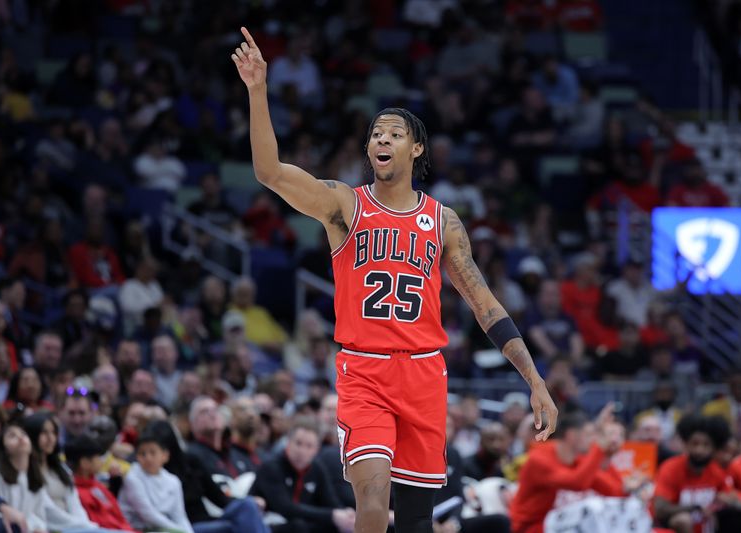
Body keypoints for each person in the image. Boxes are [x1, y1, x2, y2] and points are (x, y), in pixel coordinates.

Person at [231, 28, 557, 533]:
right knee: (372, 495)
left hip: (425, 375)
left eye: (394, 133)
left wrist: (535, 381)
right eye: (376, 133)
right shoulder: (344, 205)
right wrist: (257, 91)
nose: (381, 138)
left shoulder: (443, 221)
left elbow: (485, 305)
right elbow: (269, 172)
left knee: (415, 521)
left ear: (416, 148)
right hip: (364, 371)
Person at [145, 420, 269, 533]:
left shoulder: (190, 461)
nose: (149, 457)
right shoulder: (147, 473)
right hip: (187, 527)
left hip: (209, 520)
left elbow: (219, 498)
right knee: (237, 524)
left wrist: (249, 502)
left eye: (153, 451)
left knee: (248, 505)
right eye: (145, 452)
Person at [508, 406, 617, 533]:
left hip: (557, 525)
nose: (593, 440)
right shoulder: (539, 459)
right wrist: (598, 449)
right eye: (588, 434)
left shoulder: (575, 460)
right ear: (571, 435)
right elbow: (577, 482)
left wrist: (629, 489)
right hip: (528, 528)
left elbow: (611, 490)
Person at [0, 423, 99, 532]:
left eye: (23, 434)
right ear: (3, 447)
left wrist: (38, 527)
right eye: (12, 436)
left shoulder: (34, 477)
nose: (20, 438)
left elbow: (40, 515)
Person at [653, 414, 741, 533]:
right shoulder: (670, 468)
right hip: (672, 527)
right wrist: (695, 508)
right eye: (695, 444)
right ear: (686, 444)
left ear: (714, 448)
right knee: (683, 520)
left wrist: (731, 502)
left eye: (706, 445)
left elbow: (734, 500)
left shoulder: (716, 470)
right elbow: (659, 510)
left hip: (707, 526)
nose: (699, 450)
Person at [251, 417, 355, 533]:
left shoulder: (317, 468)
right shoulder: (271, 467)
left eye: (309, 446)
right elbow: (285, 508)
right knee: (299, 526)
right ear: (288, 442)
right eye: (298, 443)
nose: (302, 451)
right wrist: (332, 515)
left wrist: (346, 515)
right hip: (268, 523)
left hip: (302, 524)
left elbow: (331, 502)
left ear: (316, 450)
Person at [118, 430, 192, 533]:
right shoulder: (132, 477)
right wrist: (178, 530)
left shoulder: (173, 481)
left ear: (165, 455)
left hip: (164, 528)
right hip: (136, 529)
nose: (148, 458)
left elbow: (179, 516)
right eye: (142, 454)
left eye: (153, 452)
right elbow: (148, 514)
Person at [22, 413, 91, 522]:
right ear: (32, 435)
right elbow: (48, 511)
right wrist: (81, 526)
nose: (51, 438)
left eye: (53, 432)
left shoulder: (61, 468)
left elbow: (75, 505)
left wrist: (87, 526)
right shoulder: (26, 471)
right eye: (44, 433)